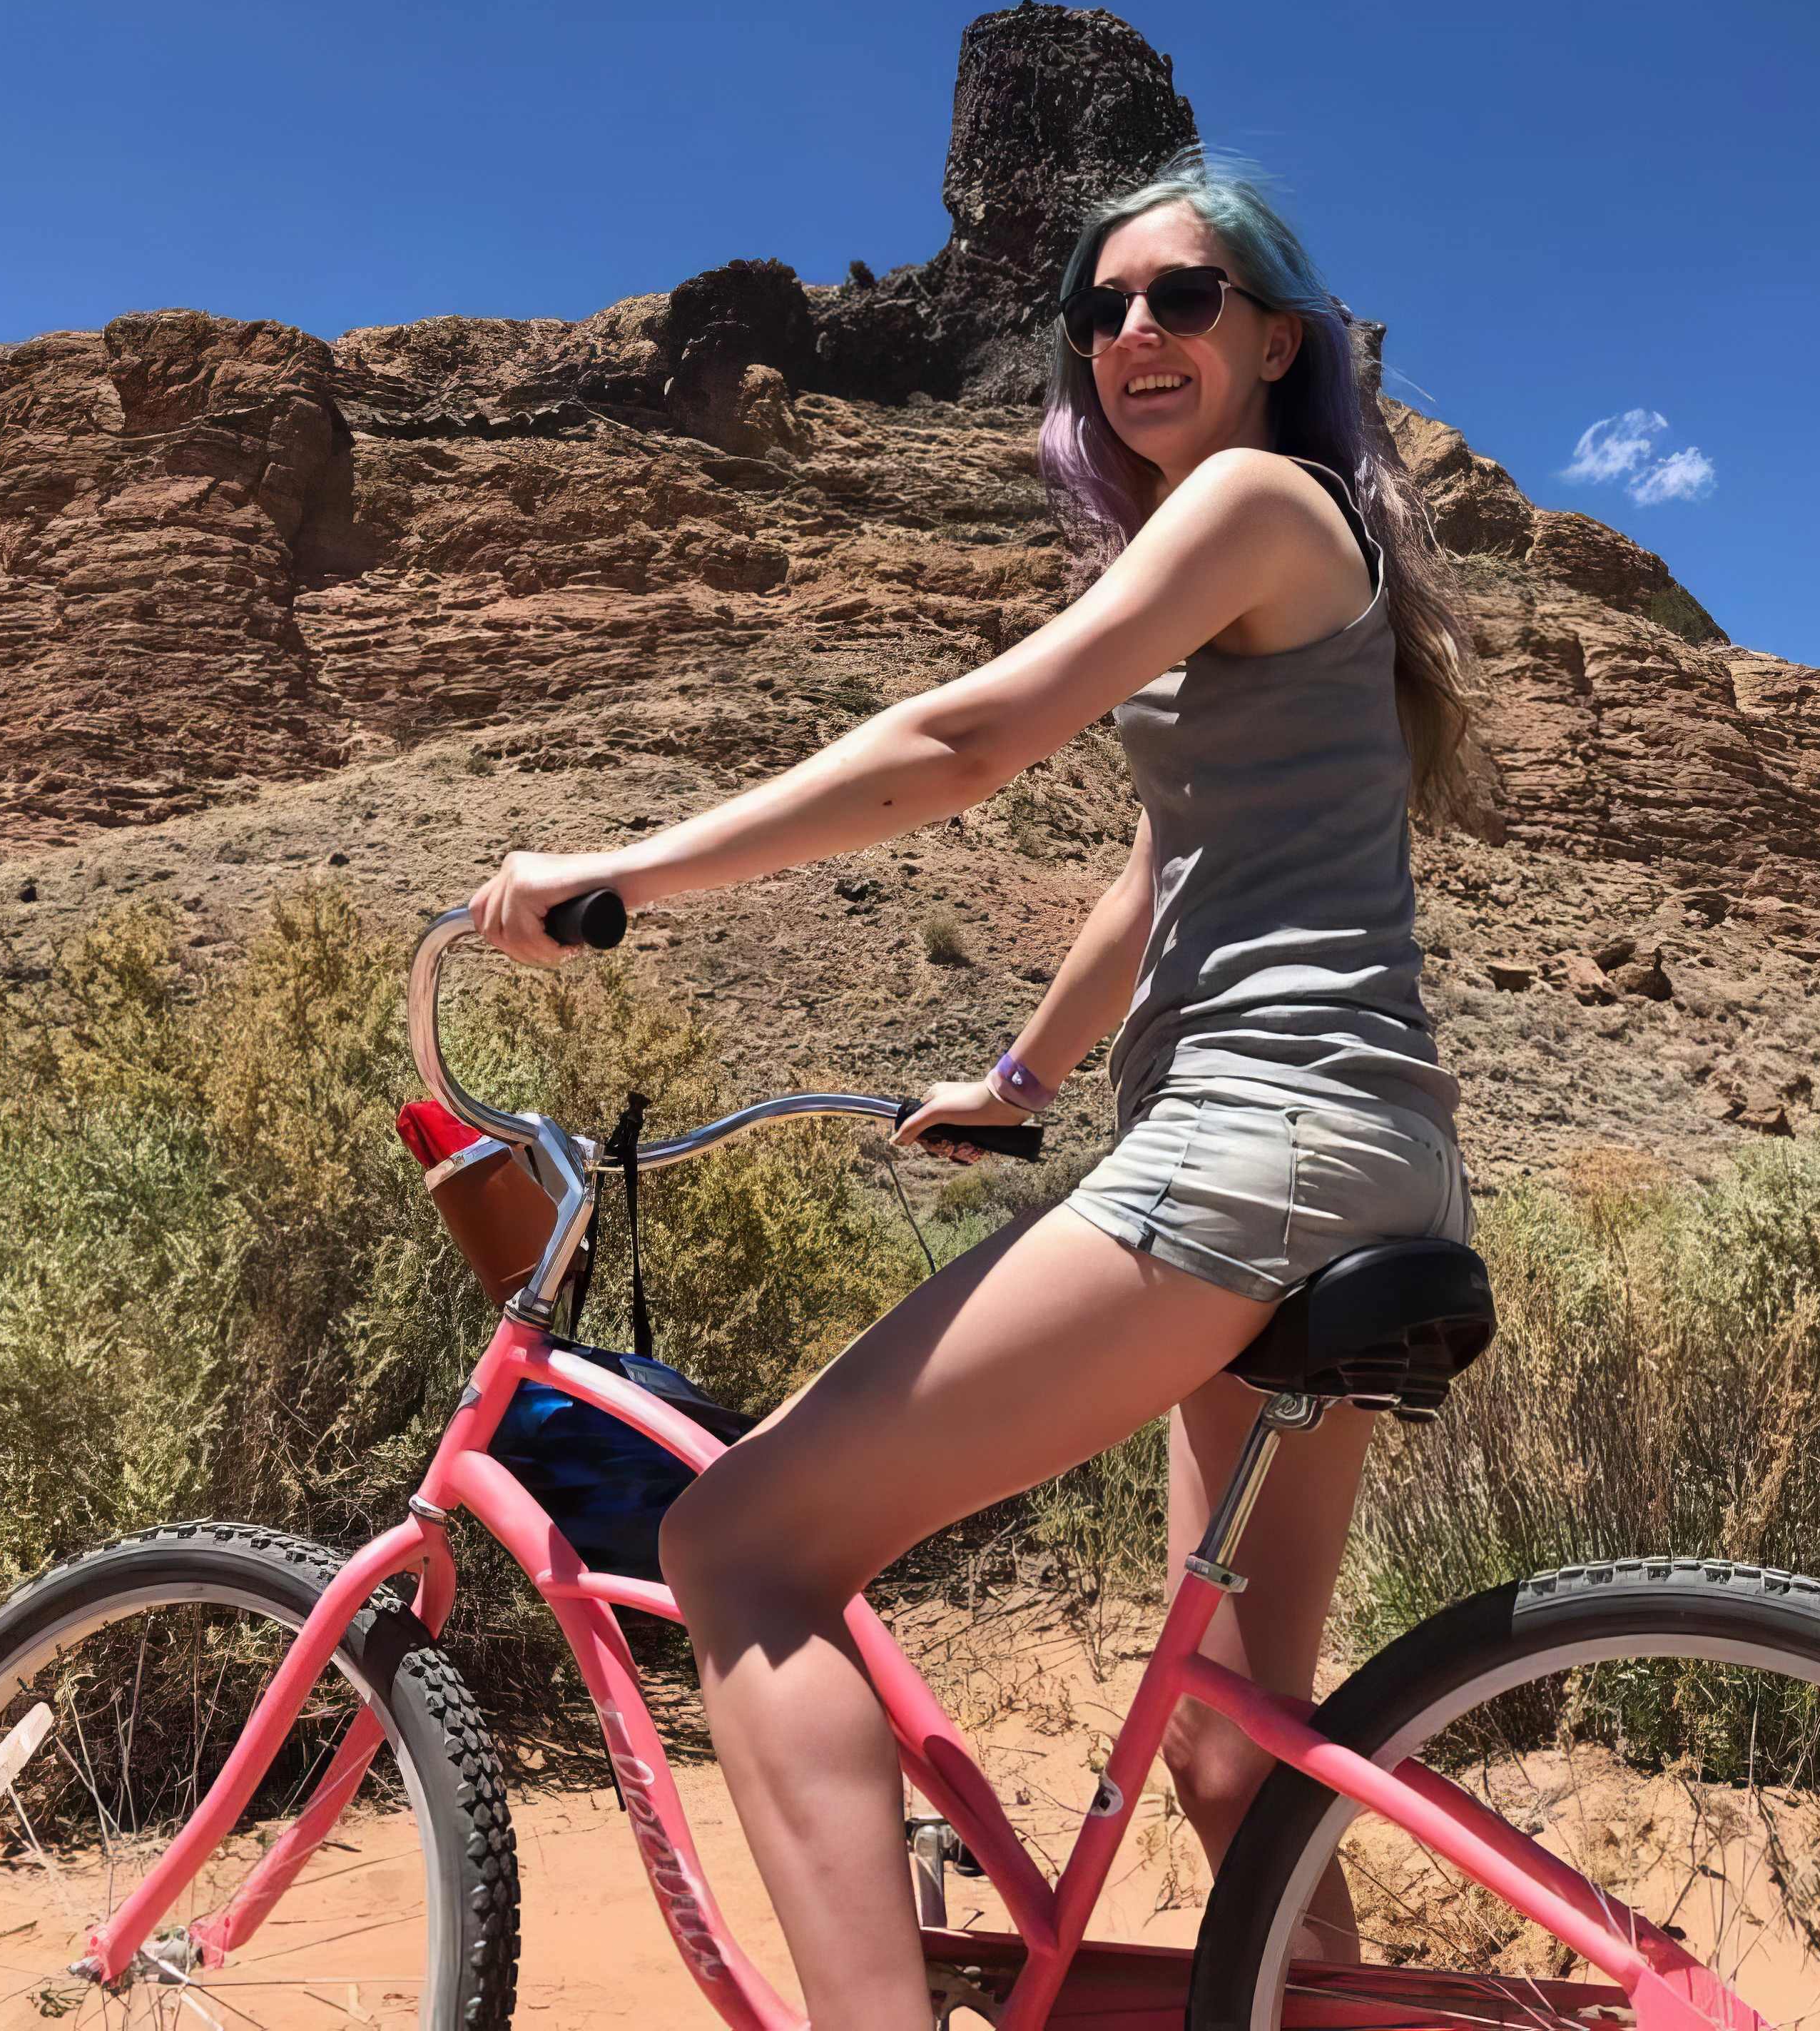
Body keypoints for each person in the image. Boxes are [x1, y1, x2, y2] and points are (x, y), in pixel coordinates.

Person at [469, 148, 1476, 2031]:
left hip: (1253, 1156)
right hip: (1376, 1155)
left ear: (1272, 340)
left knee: (740, 1544)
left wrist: (622, 872)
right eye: (1100, 309)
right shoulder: (1277, 550)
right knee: (1234, 1757)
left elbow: (963, 740)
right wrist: (1021, 1075)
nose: (1134, 334)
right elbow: (1161, 872)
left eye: (1182, 299)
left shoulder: (1256, 499)